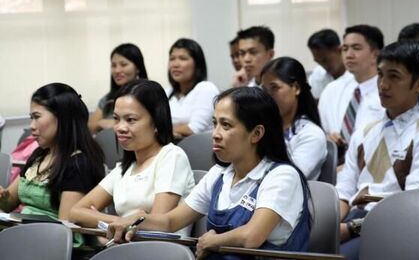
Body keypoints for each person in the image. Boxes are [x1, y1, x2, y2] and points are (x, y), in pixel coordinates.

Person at [106, 87, 312, 259]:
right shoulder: (219, 174)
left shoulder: (282, 176)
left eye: (226, 125)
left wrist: (213, 241)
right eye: (215, 124)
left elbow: (252, 236)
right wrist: (138, 219)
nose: (215, 134)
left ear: (256, 133)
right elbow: (171, 222)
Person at [336, 41, 419, 260]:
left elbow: (411, 207)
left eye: (394, 76)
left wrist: (351, 228)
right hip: (351, 219)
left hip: (392, 227)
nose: (383, 85)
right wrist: (329, 225)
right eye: (380, 74)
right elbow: (344, 191)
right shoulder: (364, 131)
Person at [70, 80, 195, 236]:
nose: (120, 128)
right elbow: (76, 212)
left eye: (131, 120)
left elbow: (157, 223)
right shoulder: (125, 167)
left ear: (156, 122)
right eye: (116, 119)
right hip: (124, 247)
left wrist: (101, 219)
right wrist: (122, 221)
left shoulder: (172, 157)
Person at [0, 83, 105, 247]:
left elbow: (64, 227)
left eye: (37, 117)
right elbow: (8, 204)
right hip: (26, 236)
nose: (31, 126)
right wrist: (2, 196)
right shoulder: (39, 156)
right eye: (31, 118)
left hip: (51, 244)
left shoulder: (78, 163)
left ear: (61, 117)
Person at [318, 24, 385, 163]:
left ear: (375, 54)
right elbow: (319, 130)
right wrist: (327, 138)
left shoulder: (387, 91)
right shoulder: (332, 89)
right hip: (334, 166)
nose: (348, 54)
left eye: (356, 48)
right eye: (345, 48)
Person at [261, 57, 327, 180]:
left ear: (296, 88)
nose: (267, 96)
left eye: (274, 88)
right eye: (264, 90)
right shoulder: (262, 128)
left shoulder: (311, 135)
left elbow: (288, 178)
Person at [166, 38, 219, 140]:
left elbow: (193, 130)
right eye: (172, 59)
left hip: (199, 151)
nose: (175, 64)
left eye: (183, 58)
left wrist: (163, 131)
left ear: (197, 64)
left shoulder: (206, 88)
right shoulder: (166, 92)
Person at [88, 43, 148, 134]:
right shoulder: (107, 99)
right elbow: (90, 126)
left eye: (123, 65)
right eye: (113, 65)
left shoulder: (149, 95)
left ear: (138, 68)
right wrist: (101, 123)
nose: (117, 70)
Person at [307, 29, 346, 100]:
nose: (323, 66)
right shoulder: (317, 76)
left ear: (340, 50)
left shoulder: (358, 74)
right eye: (318, 62)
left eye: (325, 60)